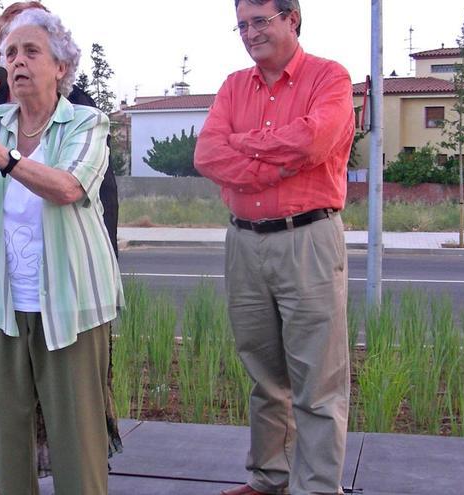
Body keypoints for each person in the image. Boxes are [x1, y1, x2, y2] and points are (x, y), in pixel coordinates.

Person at [0, 9, 123, 495]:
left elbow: (67, 188)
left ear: (60, 66)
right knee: (11, 447)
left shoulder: (87, 123)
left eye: (31, 51)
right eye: (10, 53)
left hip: (69, 307)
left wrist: (2, 154)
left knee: (78, 443)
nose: (17, 61)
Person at [193, 1, 354, 494]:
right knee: (264, 376)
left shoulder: (330, 79)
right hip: (244, 242)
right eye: (242, 24)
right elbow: (206, 154)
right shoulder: (233, 86)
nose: (249, 32)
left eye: (260, 20)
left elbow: (313, 142)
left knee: (318, 385)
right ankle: (269, 480)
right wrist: (275, 160)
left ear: (292, 19)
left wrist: (245, 145)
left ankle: (316, 490)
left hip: (308, 239)